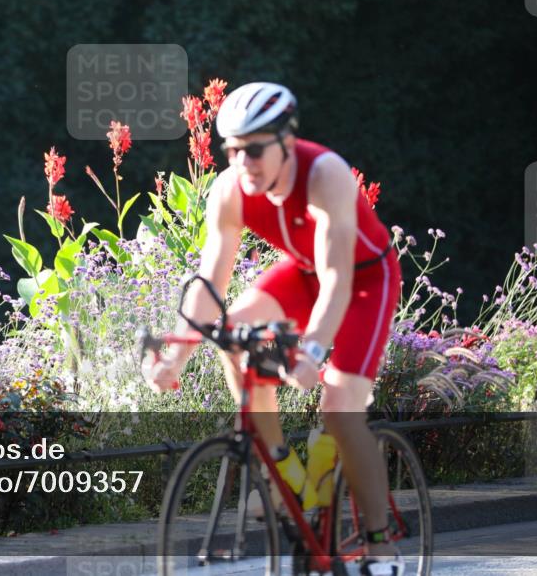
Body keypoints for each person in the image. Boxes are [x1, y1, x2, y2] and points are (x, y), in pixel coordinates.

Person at [143, 82, 404, 576]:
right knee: (231, 331)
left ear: (286, 140)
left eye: (255, 149)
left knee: (341, 410)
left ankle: (379, 544)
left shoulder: (325, 174)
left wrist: (311, 353)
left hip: (365, 280)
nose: (243, 162)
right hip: (301, 274)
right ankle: (280, 468)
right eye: (233, 150)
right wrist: (176, 354)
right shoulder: (229, 190)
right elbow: (209, 282)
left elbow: (337, 281)